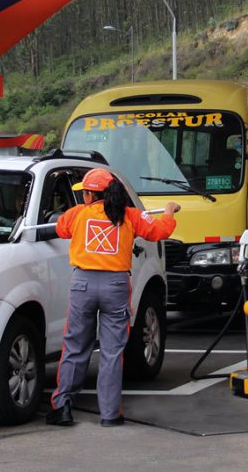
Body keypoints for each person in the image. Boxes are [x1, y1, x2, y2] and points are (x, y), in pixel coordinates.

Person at [46, 168, 180, 428]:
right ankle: (109, 414)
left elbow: (61, 230)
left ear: (88, 194)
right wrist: (169, 211)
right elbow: (160, 231)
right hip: (116, 286)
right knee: (111, 352)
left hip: (83, 284)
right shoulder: (129, 216)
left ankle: (63, 407)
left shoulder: (77, 214)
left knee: (75, 346)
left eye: (84, 192)